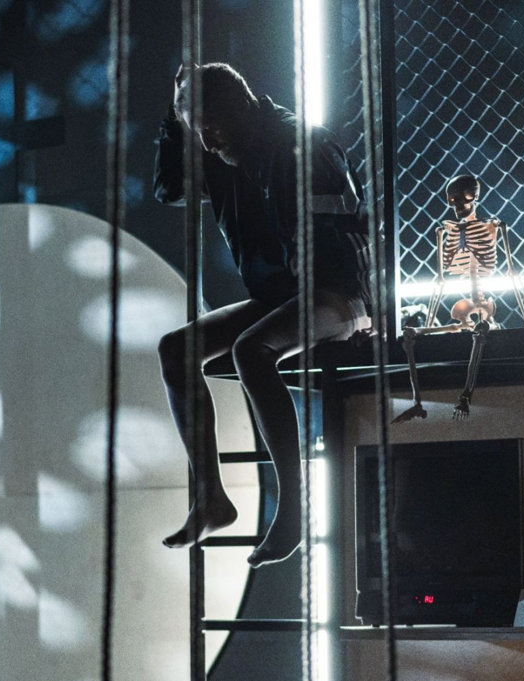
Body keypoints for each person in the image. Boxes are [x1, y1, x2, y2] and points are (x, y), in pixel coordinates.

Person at [153, 63, 371, 568]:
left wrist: (349, 308)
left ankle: (292, 509)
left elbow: (345, 247)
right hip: (279, 297)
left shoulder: (301, 145)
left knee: (250, 350)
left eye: (211, 127)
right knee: (176, 350)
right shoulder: (221, 153)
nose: (206, 142)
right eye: (196, 131)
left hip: (339, 293)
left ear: (242, 108)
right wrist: (174, 114)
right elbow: (169, 188)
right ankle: (211, 498)